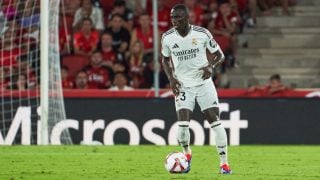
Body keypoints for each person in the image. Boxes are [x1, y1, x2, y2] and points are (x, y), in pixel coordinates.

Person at [161, 4, 232, 174]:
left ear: (186, 18)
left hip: (204, 83)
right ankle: (187, 155)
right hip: (183, 85)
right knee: (183, 126)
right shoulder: (167, 37)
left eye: (177, 17)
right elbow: (164, 59)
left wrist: (210, 66)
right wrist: (171, 78)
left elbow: (219, 55)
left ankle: (224, 164)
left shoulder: (202, 33)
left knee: (215, 122)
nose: (174, 21)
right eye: (172, 17)